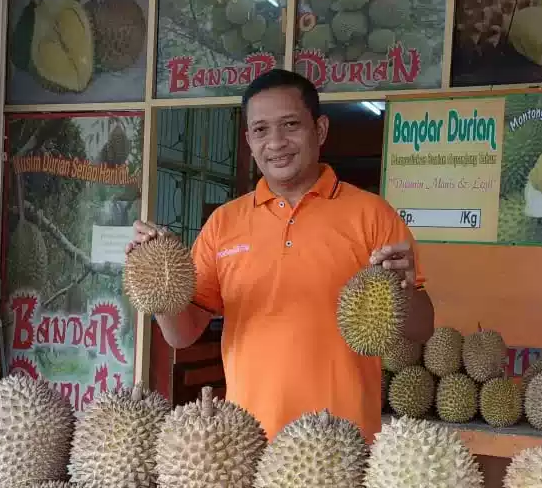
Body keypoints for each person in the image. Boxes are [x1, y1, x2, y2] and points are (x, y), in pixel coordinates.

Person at [128, 68, 434, 444]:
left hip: (343, 443)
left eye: (290, 125)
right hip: (246, 444)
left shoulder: (372, 215)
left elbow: (422, 330)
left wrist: (404, 289)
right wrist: (159, 276)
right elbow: (182, 335)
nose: (276, 142)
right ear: (249, 141)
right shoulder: (224, 223)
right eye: (260, 130)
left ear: (319, 130)